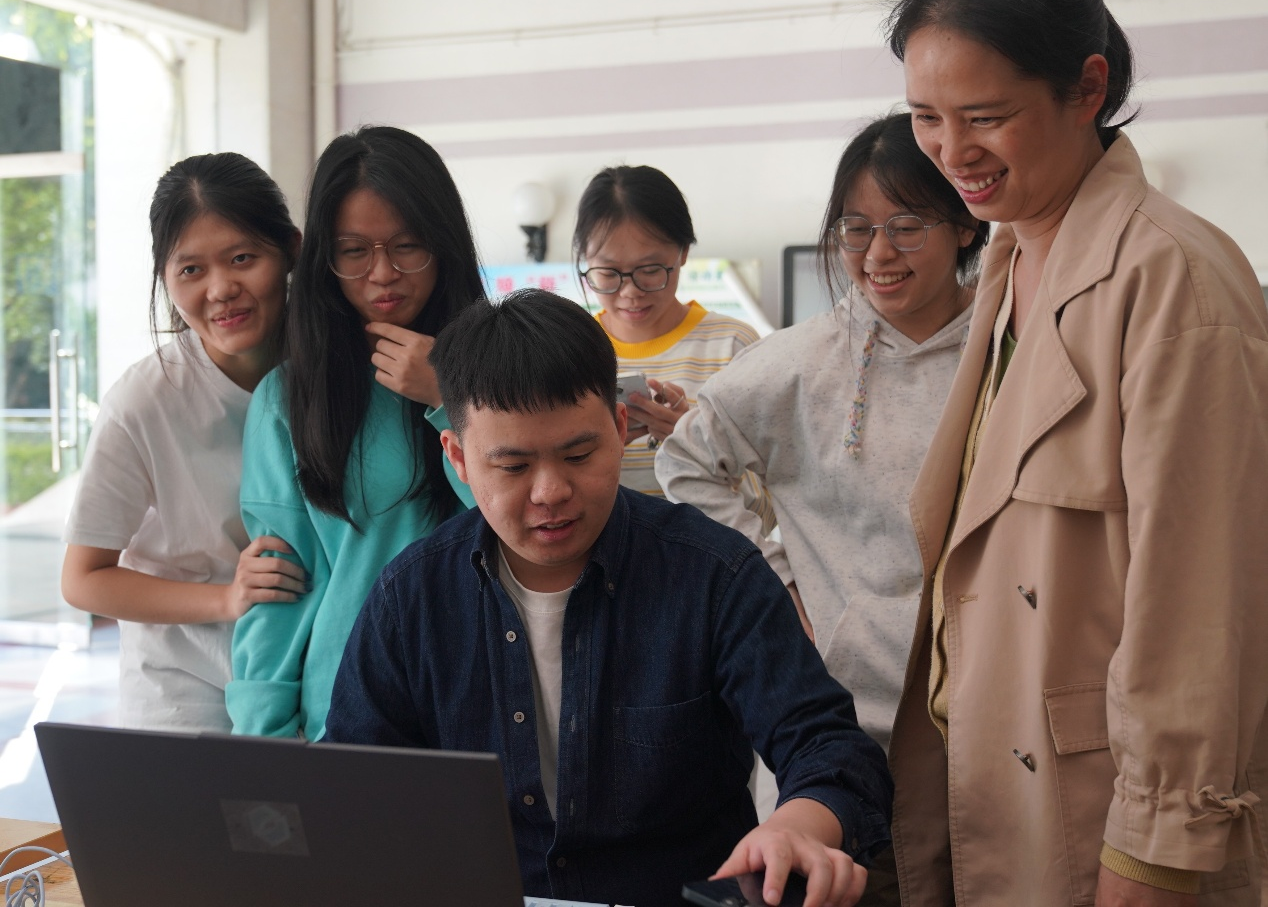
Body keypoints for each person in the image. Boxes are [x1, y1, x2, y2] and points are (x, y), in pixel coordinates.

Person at [883, 0, 1268, 904]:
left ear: (1087, 87)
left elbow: (1203, 606)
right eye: (926, 118)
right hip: (1000, 786)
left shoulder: (1172, 277)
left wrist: (1155, 853)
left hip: (1110, 828)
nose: (950, 151)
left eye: (984, 116)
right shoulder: (1011, 259)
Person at [323, 289, 893, 907]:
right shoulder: (413, 596)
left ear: (621, 429)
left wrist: (796, 828)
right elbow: (352, 782)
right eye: (513, 467)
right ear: (458, 457)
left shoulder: (713, 575)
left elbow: (830, 747)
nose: (550, 492)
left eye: (578, 454)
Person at [657, 112, 987, 750]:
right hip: (842, 715)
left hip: (992, 711)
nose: (879, 254)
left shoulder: (1010, 347)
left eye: (907, 227)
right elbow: (685, 461)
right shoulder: (799, 362)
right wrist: (773, 579)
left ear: (965, 223)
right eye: (856, 229)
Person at [227, 126, 484, 741]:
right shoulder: (289, 398)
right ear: (324, 258)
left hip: (487, 698)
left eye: (408, 246)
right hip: (346, 709)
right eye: (353, 251)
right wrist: (263, 738)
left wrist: (448, 396)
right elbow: (281, 585)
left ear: (444, 244)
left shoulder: (501, 375)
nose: (383, 273)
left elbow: (525, 522)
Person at [62, 153, 304, 733]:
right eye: (191, 270)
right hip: (184, 692)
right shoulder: (143, 402)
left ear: (291, 250)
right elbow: (83, 578)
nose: (221, 289)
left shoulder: (339, 372)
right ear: (165, 279)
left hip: (312, 675)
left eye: (242, 258)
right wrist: (225, 598)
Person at [574, 165, 770, 519]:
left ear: (683, 253)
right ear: (586, 261)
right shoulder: (568, 352)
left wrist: (698, 445)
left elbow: (767, 508)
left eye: (650, 270)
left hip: (709, 552)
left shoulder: (733, 346)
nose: (630, 292)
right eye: (608, 273)